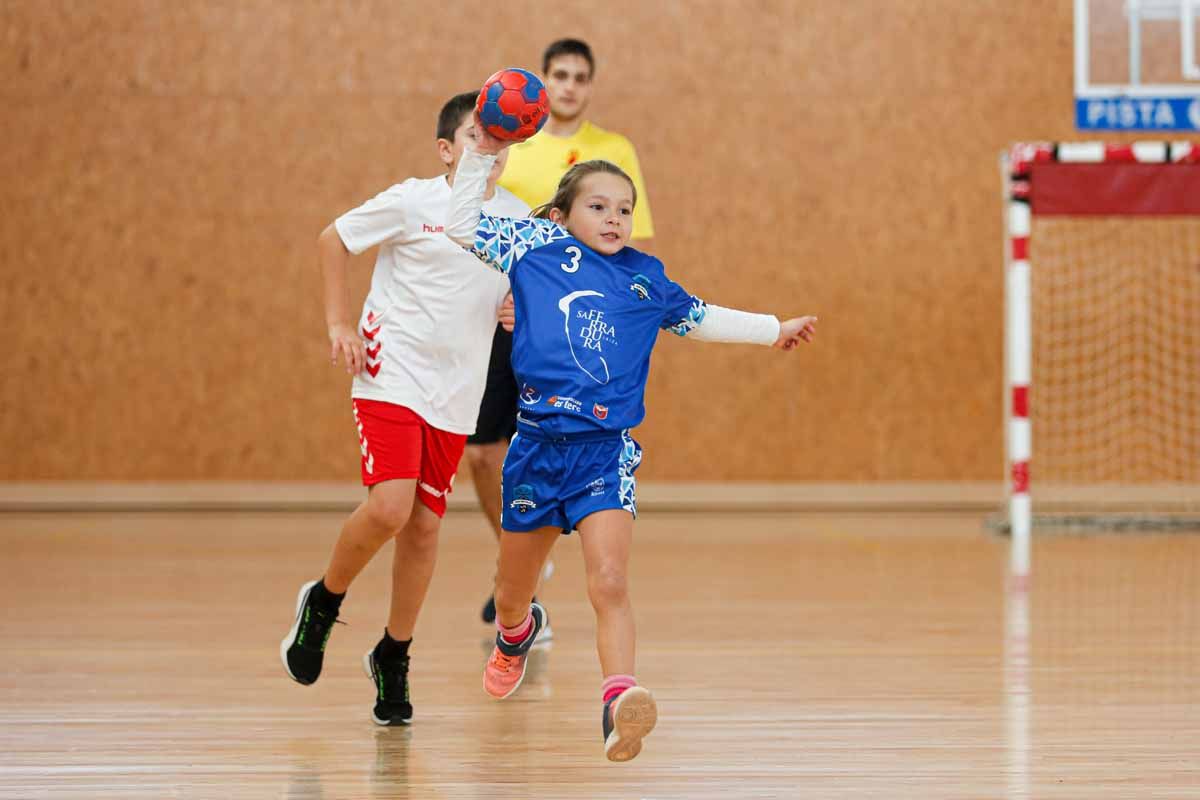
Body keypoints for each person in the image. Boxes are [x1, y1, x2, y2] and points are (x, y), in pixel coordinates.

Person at [444, 112, 818, 762]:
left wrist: (773, 328)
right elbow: (459, 224)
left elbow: (700, 318)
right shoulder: (531, 246)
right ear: (561, 214)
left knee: (610, 581)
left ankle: (619, 704)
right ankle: (515, 634)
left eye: (624, 207)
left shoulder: (645, 277)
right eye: (598, 205)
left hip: (603, 453)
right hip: (535, 449)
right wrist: (483, 148)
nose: (614, 217)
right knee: (512, 591)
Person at [279, 92, 529, 727]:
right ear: (447, 149)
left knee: (422, 527)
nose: (488, 148)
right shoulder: (413, 200)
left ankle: (393, 652)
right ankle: (323, 603)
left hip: (457, 390)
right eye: (477, 136)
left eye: (498, 139)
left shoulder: (515, 219)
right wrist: (340, 322)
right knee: (390, 506)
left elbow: (523, 294)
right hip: (390, 371)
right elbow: (333, 238)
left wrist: (515, 310)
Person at [468, 38, 656, 625]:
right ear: (543, 83)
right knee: (479, 454)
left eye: (581, 76)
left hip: (572, 329)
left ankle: (521, 582)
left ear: (591, 85)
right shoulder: (516, 147)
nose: (571, 86)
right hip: (501, 315)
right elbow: (495, 238)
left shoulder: (612, 150)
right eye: (560, 75)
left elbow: (628, 248)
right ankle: (521, 563)